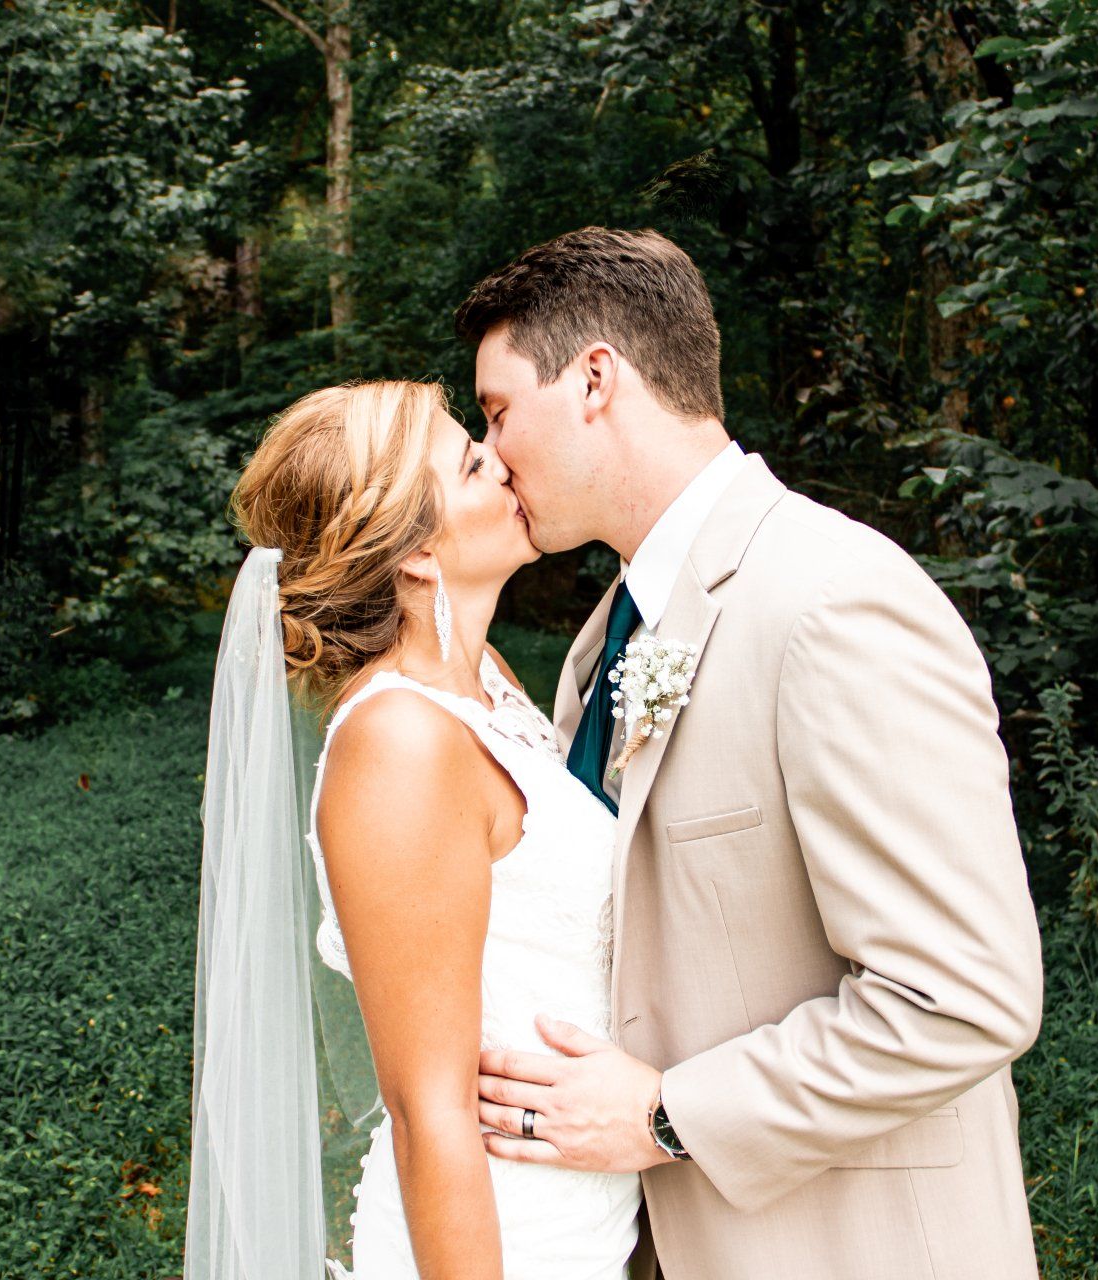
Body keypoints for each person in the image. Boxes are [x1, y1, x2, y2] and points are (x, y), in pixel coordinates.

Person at [456, 226, 1047, 1280]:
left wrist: (664, 1115)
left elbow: (962, 992)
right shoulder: (606, 636)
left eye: (498, 411)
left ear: (595, 380)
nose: (490, 453)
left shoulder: (832, 600)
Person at [189, 379, 641, 1280]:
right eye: (472, 463)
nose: (502, 460)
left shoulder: (489, 685)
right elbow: (426, 1111)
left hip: (589, 1215)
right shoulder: (398, 744)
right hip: (503, 1242)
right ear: (417, 553)